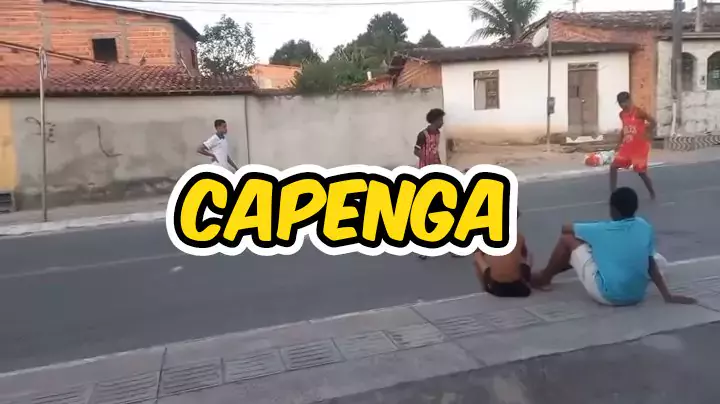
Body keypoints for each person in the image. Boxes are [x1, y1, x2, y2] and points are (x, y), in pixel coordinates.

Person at [531, 187, 696, 306]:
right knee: (656, 258)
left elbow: (565, 229)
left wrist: (591, 235)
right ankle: (546, 275)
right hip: (637, 296)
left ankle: (545, 278)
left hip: (607, 296)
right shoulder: (644, 225)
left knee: (567, 240)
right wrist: (667, 296)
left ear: (613, 209)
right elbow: (650, 264)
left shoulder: (601, 229)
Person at [473, 212, 533, 298]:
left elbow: (478, 256)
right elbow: (524, 254)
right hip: (517, 284)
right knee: (527, 255)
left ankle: (486, 286)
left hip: (496, 285)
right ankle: (524, 280)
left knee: (478, 256)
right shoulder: (519, 236)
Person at [611, 92, 656, 200]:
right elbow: (624, 129)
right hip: (628, 145)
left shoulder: (638, 112)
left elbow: (653, 122)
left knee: (641, 172)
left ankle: (652, 192)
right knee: (613, 167)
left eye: (623, 102)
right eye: (620, 103)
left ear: (629, 100)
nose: (622, 105)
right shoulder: (622, 114)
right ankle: (613, 192)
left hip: (640, 146)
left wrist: (647, 133)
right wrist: (618, 143)